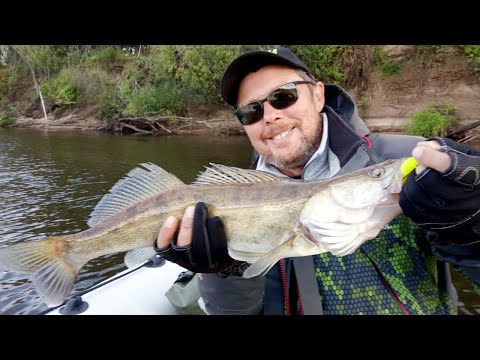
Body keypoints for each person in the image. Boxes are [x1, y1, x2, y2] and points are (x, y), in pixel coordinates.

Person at [154, 47, 480, 315]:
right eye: (251, 111)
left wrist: (468, 224)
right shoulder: (226, 200)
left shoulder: (409, 160)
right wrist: (225, 270)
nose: (270, 115)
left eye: (283, 97)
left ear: (318, 95)